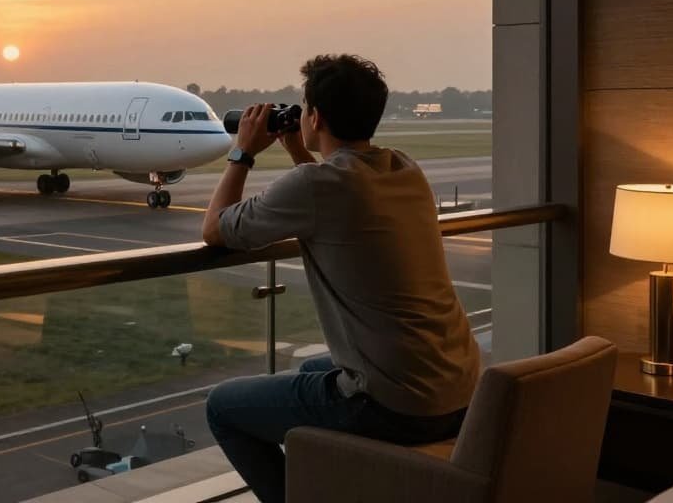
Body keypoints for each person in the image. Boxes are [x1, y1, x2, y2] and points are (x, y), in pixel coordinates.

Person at [201, 54, 479, 503]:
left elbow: (215, 229)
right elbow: (333, 192)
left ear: (315, 116)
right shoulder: (404, 167)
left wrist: (243, 151)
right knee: (311, 368)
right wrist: (299, 151)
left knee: (223, 407)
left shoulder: (317, 186)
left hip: (397, 406)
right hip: (458, 388)